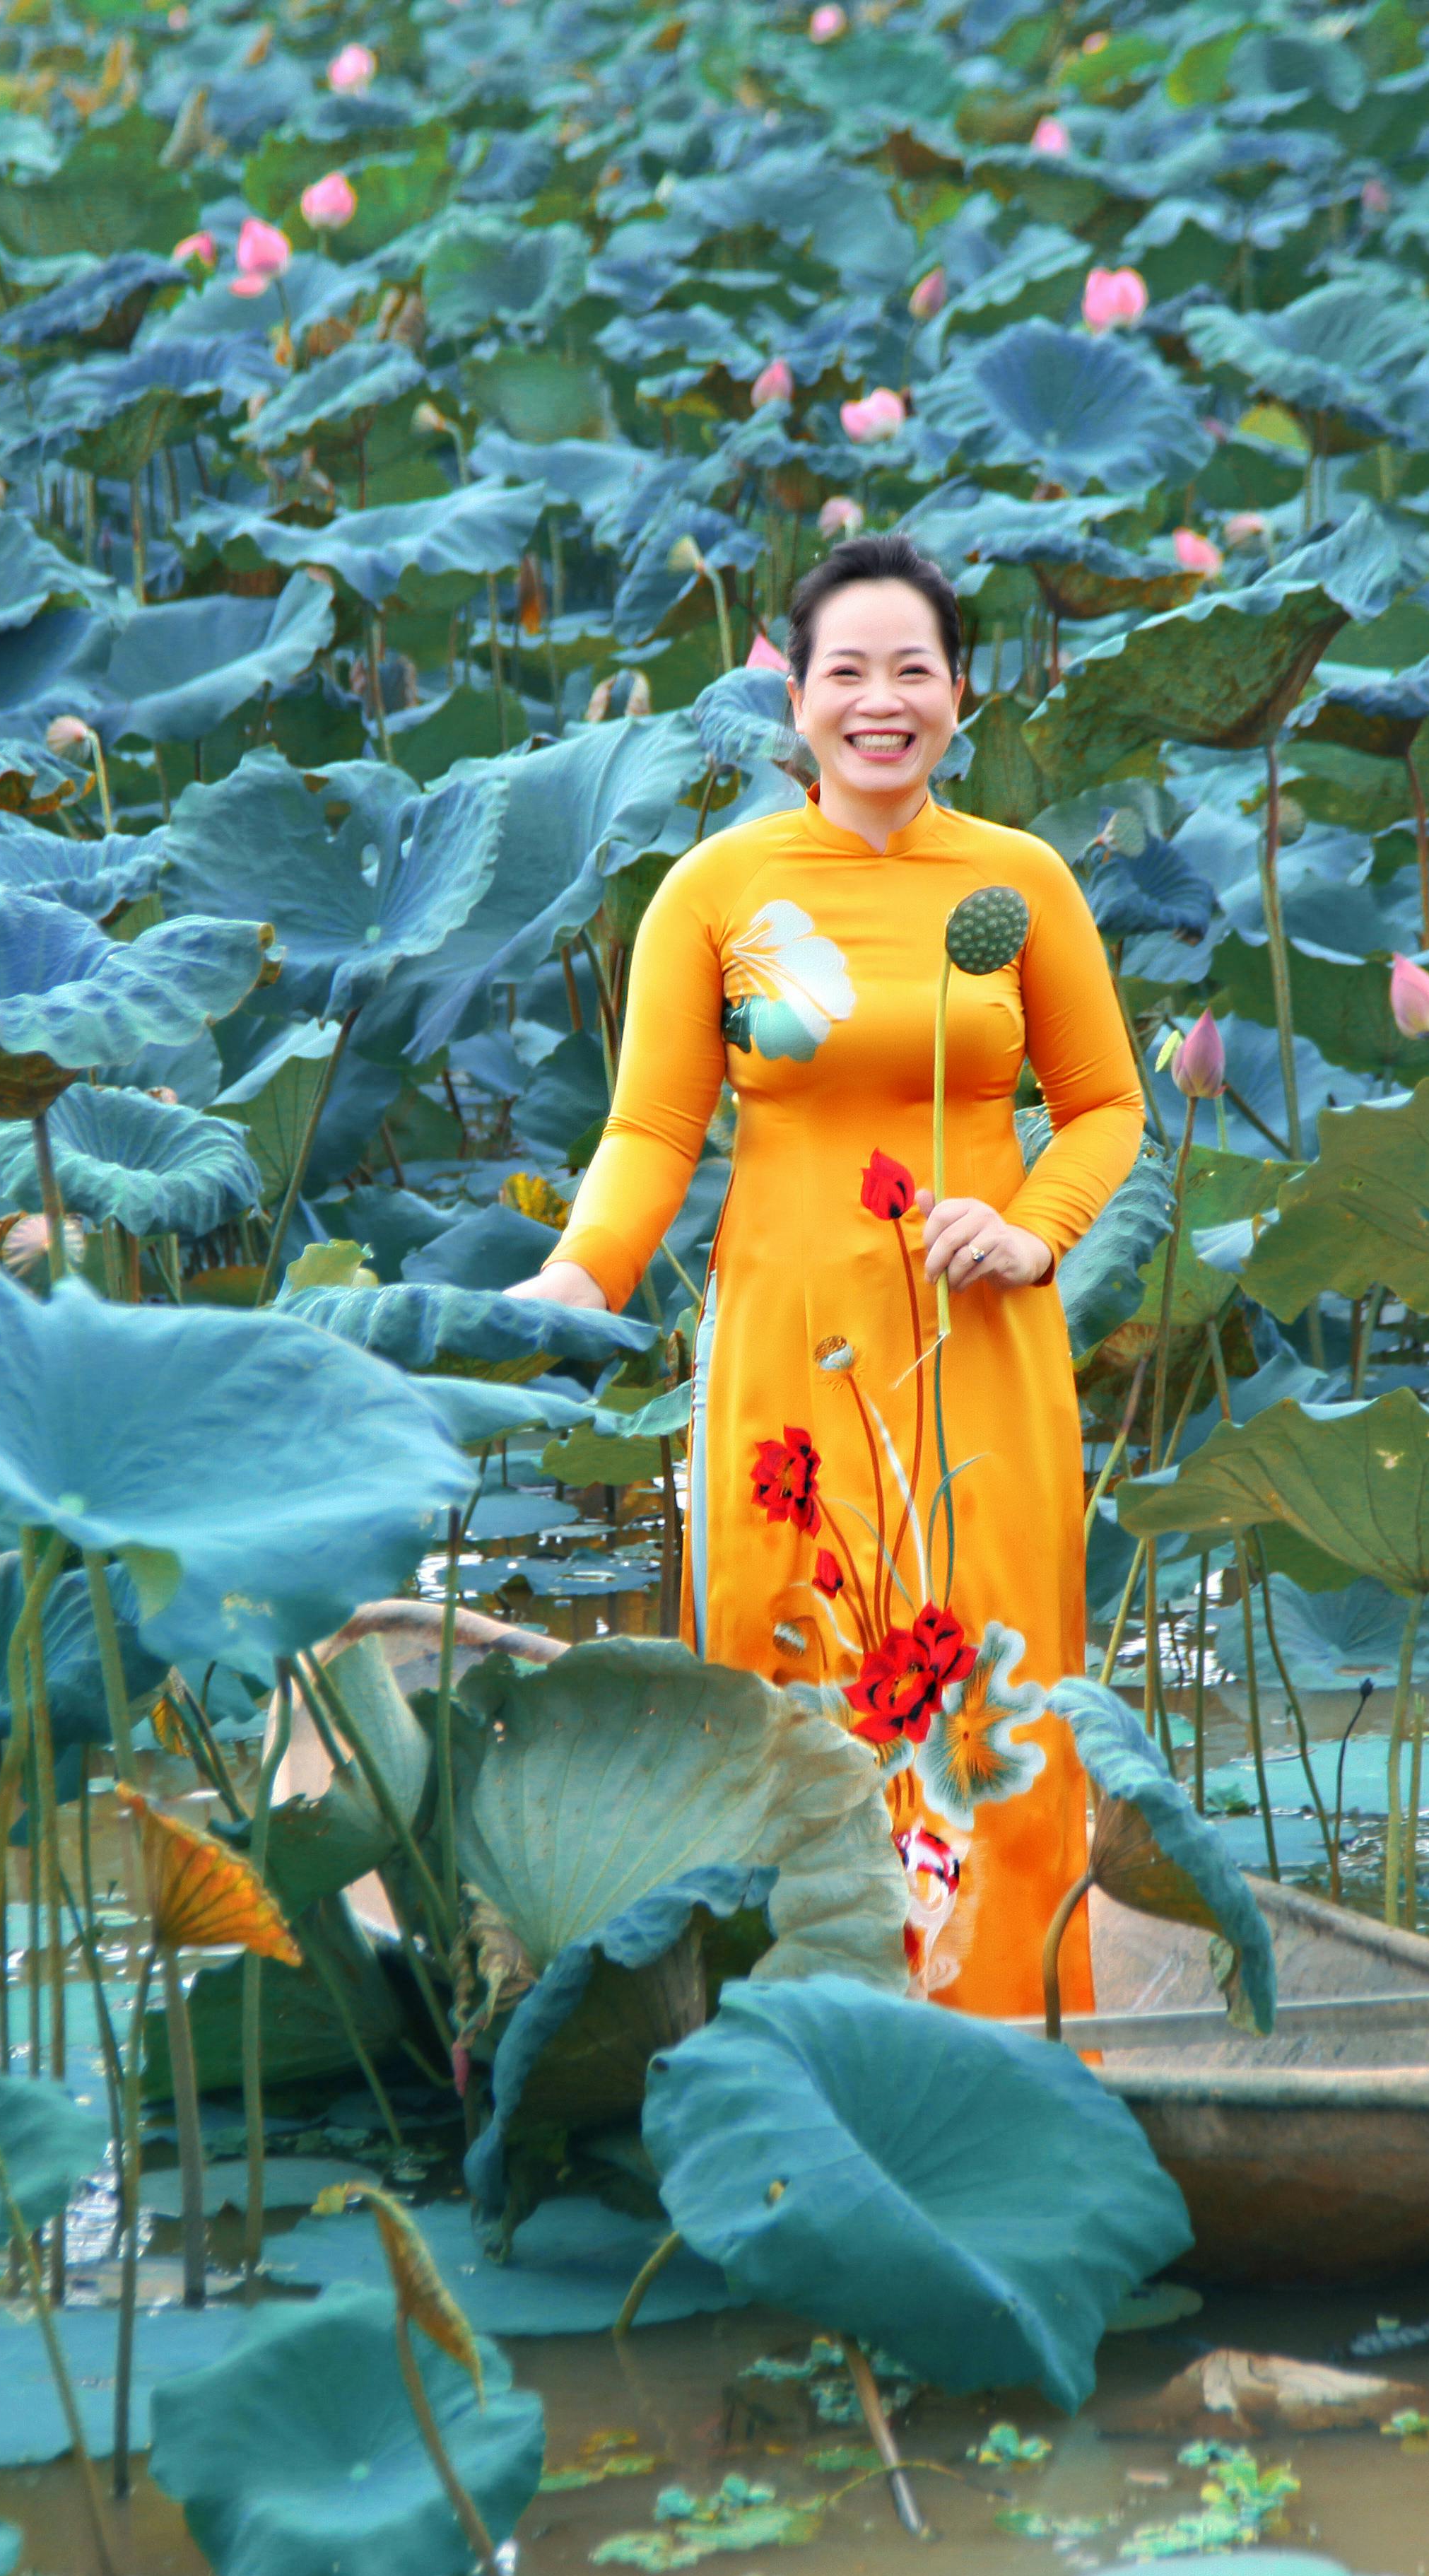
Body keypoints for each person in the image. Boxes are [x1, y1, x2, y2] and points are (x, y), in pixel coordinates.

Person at [510, 536, 1144, 2018]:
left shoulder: (1021, 882)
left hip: (978, 1346)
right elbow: (654, 1128)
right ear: (792, 697)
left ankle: (1014, 2038)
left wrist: (1036, 1227)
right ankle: (799, 2033)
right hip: (792, 1351)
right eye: (846, 672)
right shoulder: (715, 890)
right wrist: (578, 1277)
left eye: (911, 670)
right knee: (792, 1666)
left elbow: (1110, 1106)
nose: (881, 702)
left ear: (960, 691)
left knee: (993, 1681)